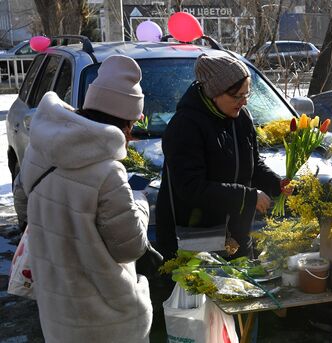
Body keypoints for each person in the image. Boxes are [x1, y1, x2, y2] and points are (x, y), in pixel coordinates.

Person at [14, 55, 152, 342]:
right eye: (133, 125)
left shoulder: (40, 150)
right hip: (105, 317)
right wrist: (140, 202)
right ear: (124, 122)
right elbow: (131, 247)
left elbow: (24, 205)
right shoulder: (107, 172)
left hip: (57, 311)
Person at [155, 53, 291, 262]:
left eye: (247, 94)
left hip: (237, 237)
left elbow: (252, 166)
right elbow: (191, 188)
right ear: (214, 93)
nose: (244, 102)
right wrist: (247, 197)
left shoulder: (242, 118)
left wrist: (277, 184)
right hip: (194, 241)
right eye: (237, 96)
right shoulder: (186, 126)